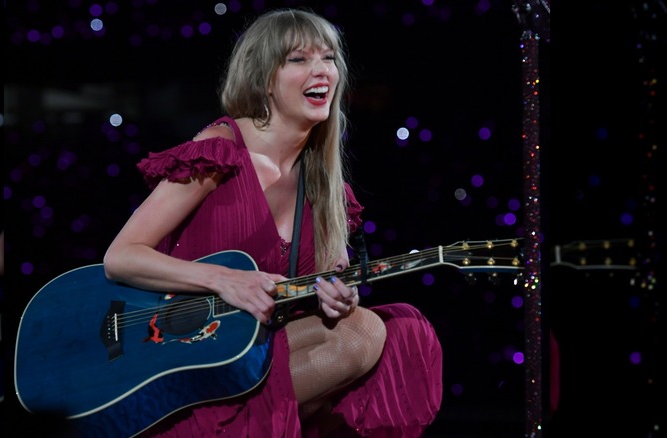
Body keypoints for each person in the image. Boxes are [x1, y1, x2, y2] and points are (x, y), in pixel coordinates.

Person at [103, 7, 443, 437]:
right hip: (179, 358)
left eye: (329, 58)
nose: (321, 70)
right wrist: (225, 279)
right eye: (299, 59)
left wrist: (337, 299)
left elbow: (320, 295)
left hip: (254, 359)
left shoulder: (326, 189)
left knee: (384, 332)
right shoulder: (221, 151)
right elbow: (121, 257)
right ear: (264, 77)